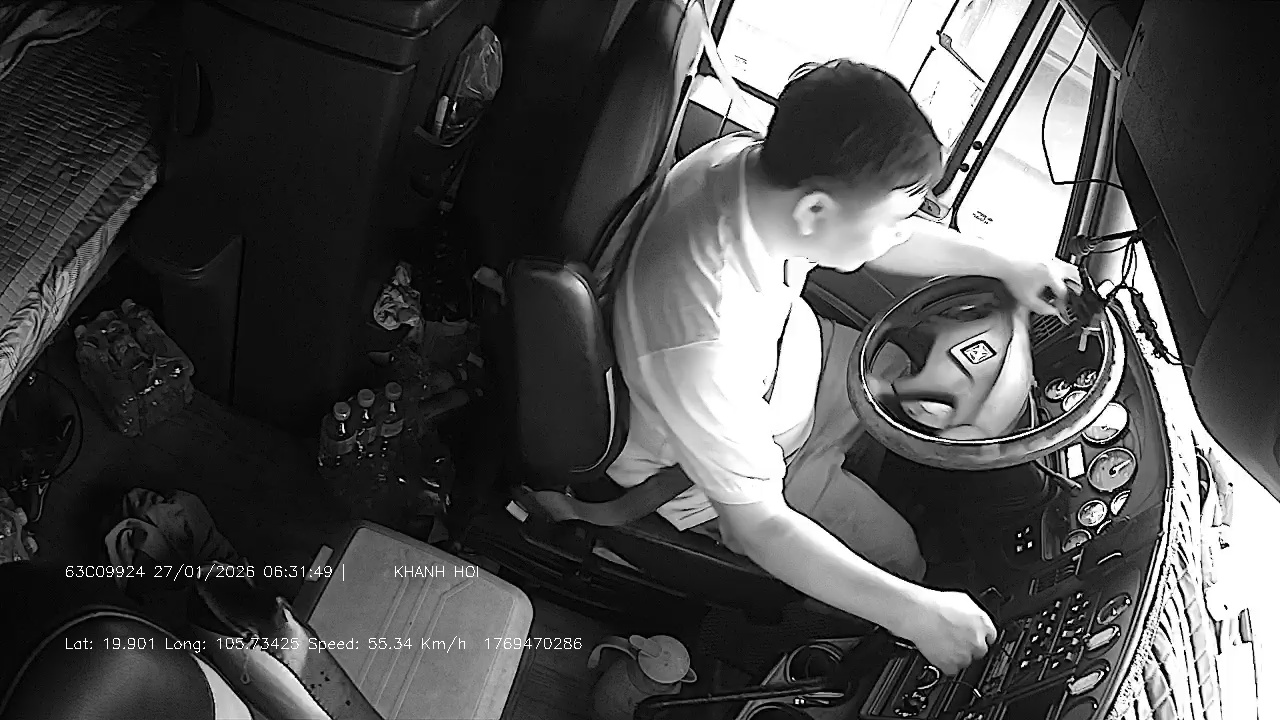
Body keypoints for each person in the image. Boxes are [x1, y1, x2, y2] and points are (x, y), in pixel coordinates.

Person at [606, 59, 1079, 675]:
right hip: (749, 463)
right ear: (815, 213)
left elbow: (889, 238)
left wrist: (1006, 265)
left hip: (790, 364)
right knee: (902, 560)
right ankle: (813, 637)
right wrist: (917, 613)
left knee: (903, 388)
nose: (896, 233)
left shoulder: (751, 168)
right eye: (890, 219)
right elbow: (758, 526)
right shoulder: (701, 342)